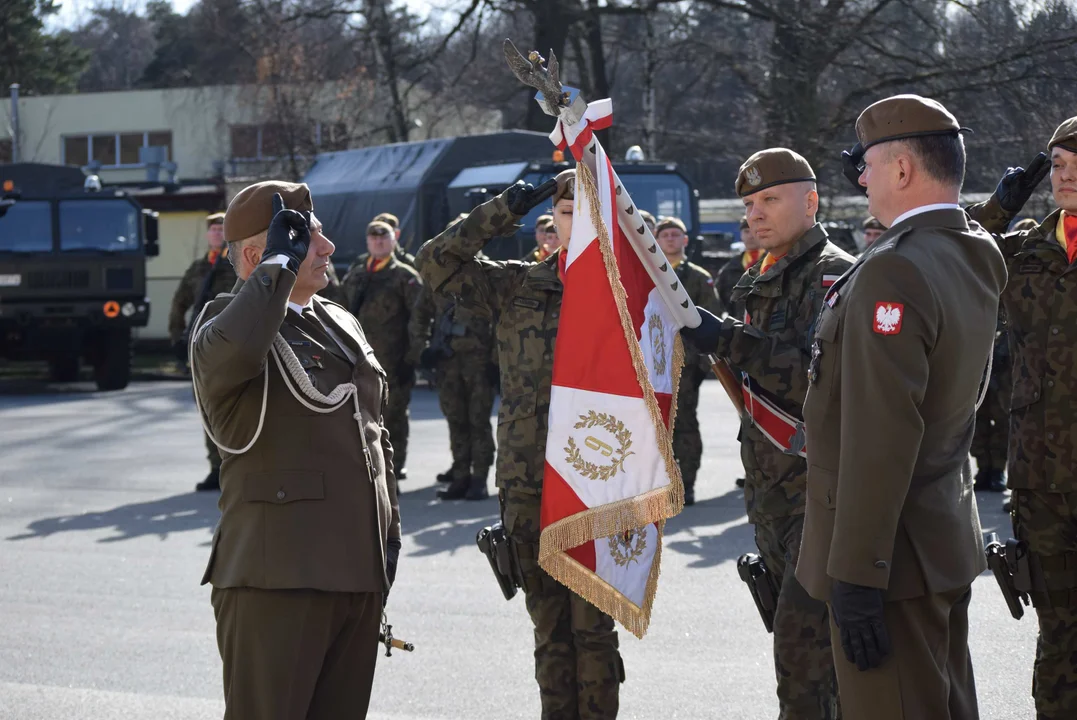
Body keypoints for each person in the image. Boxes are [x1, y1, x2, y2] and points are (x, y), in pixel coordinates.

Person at [788, 95, 1006, 720]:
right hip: (938, 537)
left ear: (904, 170)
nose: (860, 179)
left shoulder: (893, 270)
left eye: (867, 165)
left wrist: (857, 572)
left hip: (890, 560)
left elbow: (881, 437)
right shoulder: (974, 251)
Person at [416, 170, 624, 717]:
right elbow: (435, 263)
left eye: (588, 209)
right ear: (552, 220)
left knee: (593, 632)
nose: (575, 220)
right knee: (549, 629)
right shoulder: (518, 285)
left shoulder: (628, 291)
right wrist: (509, 203)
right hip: (527, 482)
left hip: (597, 488)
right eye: (565, 210)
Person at [190, 181, 401, 719]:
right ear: (261, 255)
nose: (328, 248)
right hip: (277, 579)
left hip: (354, 574)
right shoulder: (224, 324)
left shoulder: (339, 320)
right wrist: (275, 272)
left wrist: (386, 542)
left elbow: (373, 438)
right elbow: (235, 349)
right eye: (308, 238)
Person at [683, 149, 853, 718]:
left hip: (818, 498)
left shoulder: (835, 275)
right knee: (808, 665)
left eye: (769, 200)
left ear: (810, 202)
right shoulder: (763, 276)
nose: (754, 213)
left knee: (803, 672)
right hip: (773, 497)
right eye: (749, 203)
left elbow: (821, 375)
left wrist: (731, 340)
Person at [967, 117, 1077, 720]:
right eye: (1058, 164)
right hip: (1040, 475)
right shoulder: (1026, 247)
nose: (1066, 176)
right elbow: (951, 263)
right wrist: (996, 209)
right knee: (1058, 631)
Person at [408, 233, 498, 501]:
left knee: (478, 422)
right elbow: (420, 315)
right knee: (456, 421)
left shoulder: (489, 274)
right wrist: (422, 349)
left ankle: (479, 479)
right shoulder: (437, 275)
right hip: (447, 361)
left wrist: (496, 360)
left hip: (480, 363)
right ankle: (460, 476)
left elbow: (503, 318)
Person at [342, 220, 423, 481]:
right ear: (367, 241)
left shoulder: (405, 276)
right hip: (358, 362)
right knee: (358, 416)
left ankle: (394, 465)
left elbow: (419, 320)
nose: (378, 241)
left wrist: (411, 358)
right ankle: (367, 464)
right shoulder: (356, 275)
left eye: (383, 237)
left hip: (393, 360)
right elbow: (340, 313)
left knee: (394, 416)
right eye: (373, 237)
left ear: (393, 239)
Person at [167, 211, 238, 492]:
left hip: (232, 346)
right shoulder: (198, 269)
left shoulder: (236, 265)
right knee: (208, 409)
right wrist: (175, 335)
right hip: (201, 348)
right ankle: (216, 468)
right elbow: (179, 302)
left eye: (222, 229)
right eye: (213, 229)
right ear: (208, 235)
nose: (217, 233)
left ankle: (236, 464)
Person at [654, 216, 721, 506]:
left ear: (685, 241)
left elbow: (713, 321)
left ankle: (687, 483)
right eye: (664, 234)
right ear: (655, 241)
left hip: (686, 365)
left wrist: (700, 365)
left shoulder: (697, 277)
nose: (670, 239)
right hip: (652, 363)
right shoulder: (648, 274)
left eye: (675, 234)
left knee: (684, 425)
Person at [715, 217, 763, 314]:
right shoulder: (730, 268)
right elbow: (718, 303)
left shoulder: (774, 262)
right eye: (746, 231)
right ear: (741, 235)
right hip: (739, 326)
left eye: (755, 231)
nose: (750, 236)